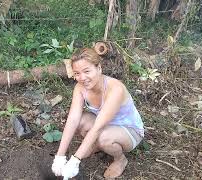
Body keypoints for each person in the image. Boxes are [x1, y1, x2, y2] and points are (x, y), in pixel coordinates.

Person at [51, 48, 144, 179]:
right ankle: (97, 145)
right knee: (80, 121)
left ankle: (120, 159)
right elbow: (73, 119)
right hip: (105, 125)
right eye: (77, 73)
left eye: (87, 71)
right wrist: (59, 156)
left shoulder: (115, 88)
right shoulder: (80, 88)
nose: (82, 78)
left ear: (99, 68)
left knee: (103, 137)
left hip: (129, 130)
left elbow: (98, 127)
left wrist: (75, 160)